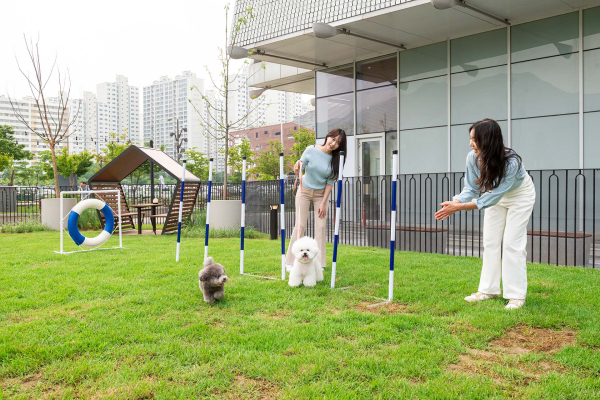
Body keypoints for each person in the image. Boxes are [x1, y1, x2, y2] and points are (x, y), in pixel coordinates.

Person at [434, 119, 536, 310]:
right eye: (470, 138)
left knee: (512, 243)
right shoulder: (472, 158)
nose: (470, 143)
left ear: (487, 140)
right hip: (493, 196)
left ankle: (516, 296)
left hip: (519, 196)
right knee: (490, 242)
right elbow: (471, 188)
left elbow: (492, 197)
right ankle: (488, 290)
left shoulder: (512, 161)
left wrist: (459, 208)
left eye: (474, 139)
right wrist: (456, 201)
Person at [285, 128, 347, 270]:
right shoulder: (311, 150)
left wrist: (323, 203)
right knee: (300, 226)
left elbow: (330, 183)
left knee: (320, 227)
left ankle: (318, 264)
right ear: (328, 136)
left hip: (321, 195)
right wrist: (298, 164)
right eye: (333, 139)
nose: (333, 144)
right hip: (304, 191)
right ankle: (290, 262)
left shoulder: (336, 160)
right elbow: (301, 165)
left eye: (338, 143)